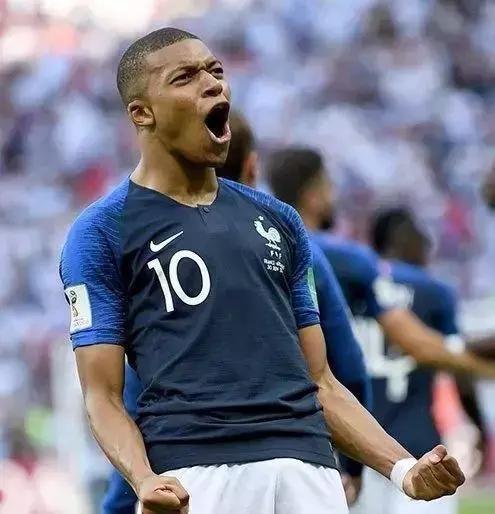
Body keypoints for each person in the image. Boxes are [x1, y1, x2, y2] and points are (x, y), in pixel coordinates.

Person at [60, 28, 465, 514]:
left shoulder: (279, 221)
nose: (212, 84)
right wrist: (144, 479)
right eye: (185, 77)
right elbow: (102, 397)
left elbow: (321, 381)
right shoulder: (102, 232)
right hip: (198, 476)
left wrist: (403, 469)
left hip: (309, 470)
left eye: (215, 71)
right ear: (142, 113)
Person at [101, 109, 370, 513]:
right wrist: (354, 466)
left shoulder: (141, 240)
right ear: (252, 166)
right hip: (295, 458)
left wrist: (128, 493)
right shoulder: (294, 241)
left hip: (181, 468)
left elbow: (135, 395)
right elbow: (346, 367)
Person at [266, 146, 495, 381]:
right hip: (333, 391)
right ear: (313, 195)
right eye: (328, 186)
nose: (334, 195)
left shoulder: (263, 250)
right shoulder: (349, 260)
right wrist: (484, 368)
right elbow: (414, 343)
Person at [349, 206, 489, 514]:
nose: (427, 245)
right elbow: (456, 365)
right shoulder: (432, 290)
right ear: (403, 238)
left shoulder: (352, 285)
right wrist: (478, 425)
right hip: (420, 448)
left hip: (358, 448)